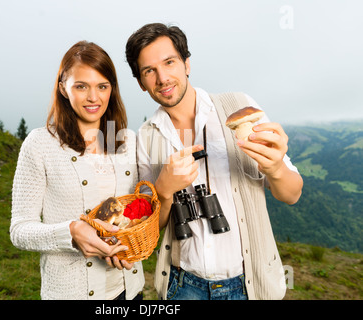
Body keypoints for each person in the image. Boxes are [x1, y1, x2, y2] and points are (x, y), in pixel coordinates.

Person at [125, 23, 303, 300]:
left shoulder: (238, 106)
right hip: (183, 285)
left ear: (187, 64)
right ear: (140, 82)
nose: (162, 78)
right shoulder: (146, 137)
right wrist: (163, 191)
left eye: (169, 62)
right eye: (149, 71)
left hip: (249, 282)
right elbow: (153, 226)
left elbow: (292, 194)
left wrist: (276, 168)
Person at [10, 41, 144, 300]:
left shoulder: (128, 141)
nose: (93, 97)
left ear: (112, 89)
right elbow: (20, 230)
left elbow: (135, 213)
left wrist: (128, 245)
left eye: (102, 86)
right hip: (69, 294)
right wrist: (70, 232)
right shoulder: (39, 144)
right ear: (63, 88)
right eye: (81, 86)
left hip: (129, 291)